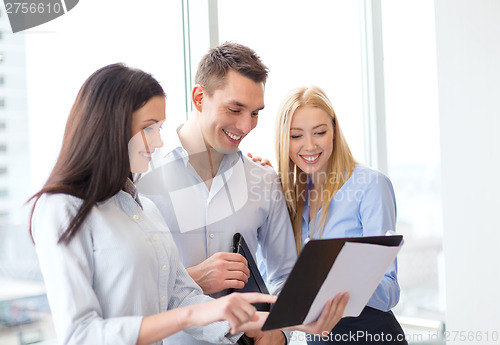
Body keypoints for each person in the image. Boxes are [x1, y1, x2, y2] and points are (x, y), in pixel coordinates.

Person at [28, 63, 281, 345]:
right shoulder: (62, 209)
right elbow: (80, 334)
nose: (159, 141)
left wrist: (258, 326)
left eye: (160, 128)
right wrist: (186, 318)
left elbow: (179, 296)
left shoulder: (145, 209)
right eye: (149, 128)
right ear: (111, 125)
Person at [136, 42, 349, 345]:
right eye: (235, 109)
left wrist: (280, 333)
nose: (246, 125)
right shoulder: (142, 176)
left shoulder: (263, 180)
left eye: (254, 113)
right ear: (199, 98)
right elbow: (124, 285)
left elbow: (284, 274)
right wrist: (194, 278)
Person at [274, 86, 407, 344]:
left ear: (334, 130)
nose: (309, 145)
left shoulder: (370, 186)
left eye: (320, 132)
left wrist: (341, 280)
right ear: (284, 140)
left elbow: (390, 291)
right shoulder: (287, 195)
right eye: (296, 135)